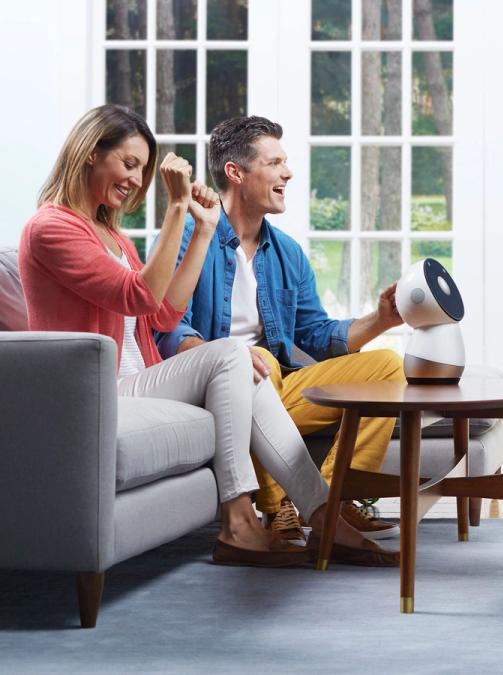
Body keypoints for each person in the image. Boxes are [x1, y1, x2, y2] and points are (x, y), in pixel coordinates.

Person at [18, 104, 397, 568]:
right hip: (99, 389)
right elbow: (143, 299)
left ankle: (324, 515)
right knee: (238, 357)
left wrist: (203, 227)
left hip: (145, 379)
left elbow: (160, 314)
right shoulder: (51, 227)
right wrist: (177, 208)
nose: (136, 181)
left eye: (143, 170)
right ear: (90, 154)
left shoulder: (111, 235)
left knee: (253, 363)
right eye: (129, 164)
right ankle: (246, 519)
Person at [155, 116, 405, 542]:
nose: (287, 173)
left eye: (284, 163)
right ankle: (279, 506)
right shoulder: (191, 237)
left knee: (385, 369)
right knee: (257, 359)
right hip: (217, 384)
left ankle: (336, 499)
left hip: (275, 384)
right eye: (274, 163)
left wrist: (380, 318)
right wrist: (228, 357)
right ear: (236, 172)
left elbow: (317, 334)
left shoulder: (287, 252)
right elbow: (168, 329)